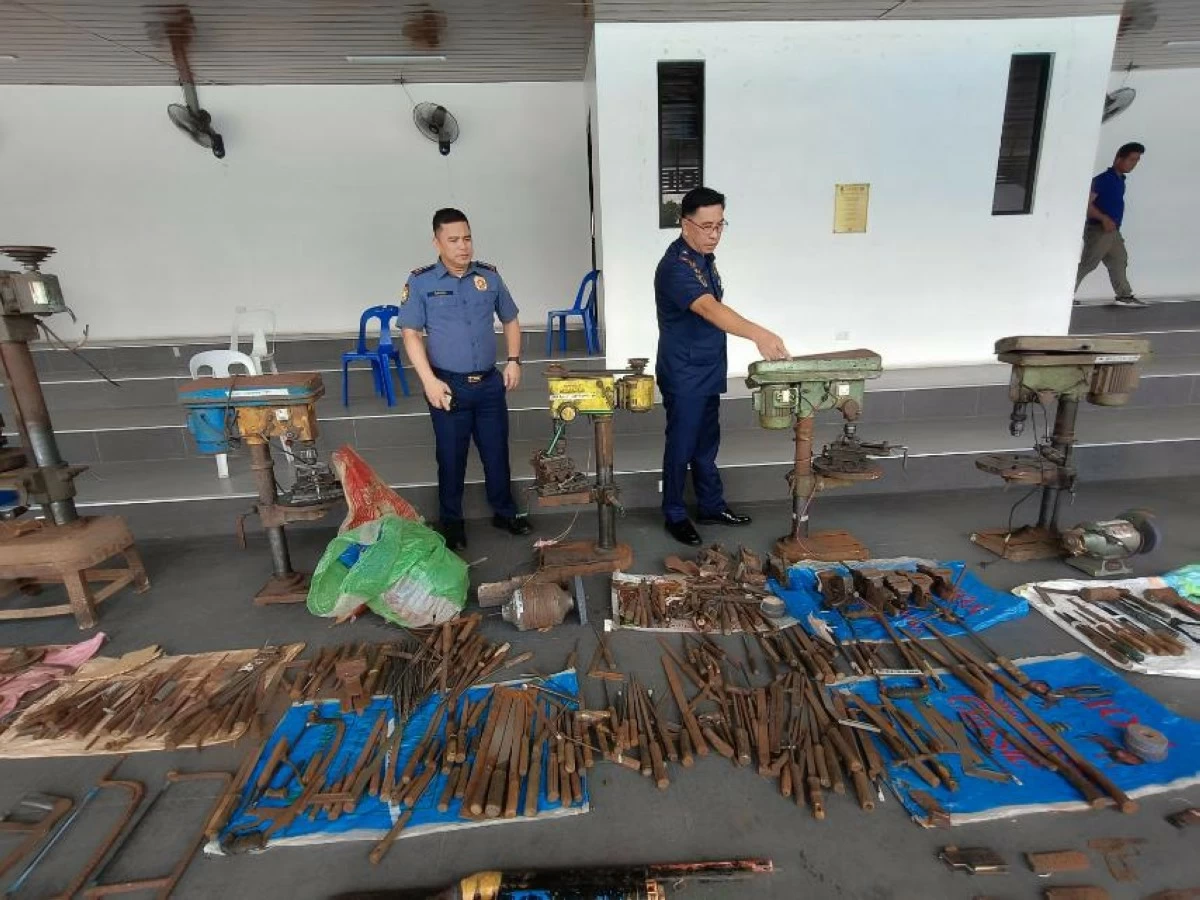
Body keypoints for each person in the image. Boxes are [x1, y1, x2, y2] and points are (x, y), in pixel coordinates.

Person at [655, 186, 790, 547]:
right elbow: (710, 309)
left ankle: (711, 506)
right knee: (681, 446)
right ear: (685, 224)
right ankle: (674, 513)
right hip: (683, 373)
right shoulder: (675, 267)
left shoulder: (704, 260)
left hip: (707, 367)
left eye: (720, 225)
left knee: (706, 444)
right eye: (706, 226)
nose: (714, 234)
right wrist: (758, 333)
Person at [398, 208, 532, 551]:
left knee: (496, 452)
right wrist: (428, 380)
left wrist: (513, 361)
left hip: (489, 384)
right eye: (454, 239)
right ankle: (452, 522)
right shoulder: (421, 281)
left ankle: (505, 512)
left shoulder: (489, 276)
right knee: (451, 456)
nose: (463, 247)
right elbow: (411, 333)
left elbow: (511, 319)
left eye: (467, 238)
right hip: (447, 385)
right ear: (437, 241)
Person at [1075, 142, 1146, 308]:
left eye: (1137, 161)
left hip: (1112, 231)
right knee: (1088, 263)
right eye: (1131, 160)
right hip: (1099, 230)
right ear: (1118, 158)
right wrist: (1103, 218)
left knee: (1119, 260)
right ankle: (1062, 294)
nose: (1134, 164)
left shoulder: (1120, 180)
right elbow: (1085, 204)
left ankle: (1124, 296)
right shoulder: (1103, 180)